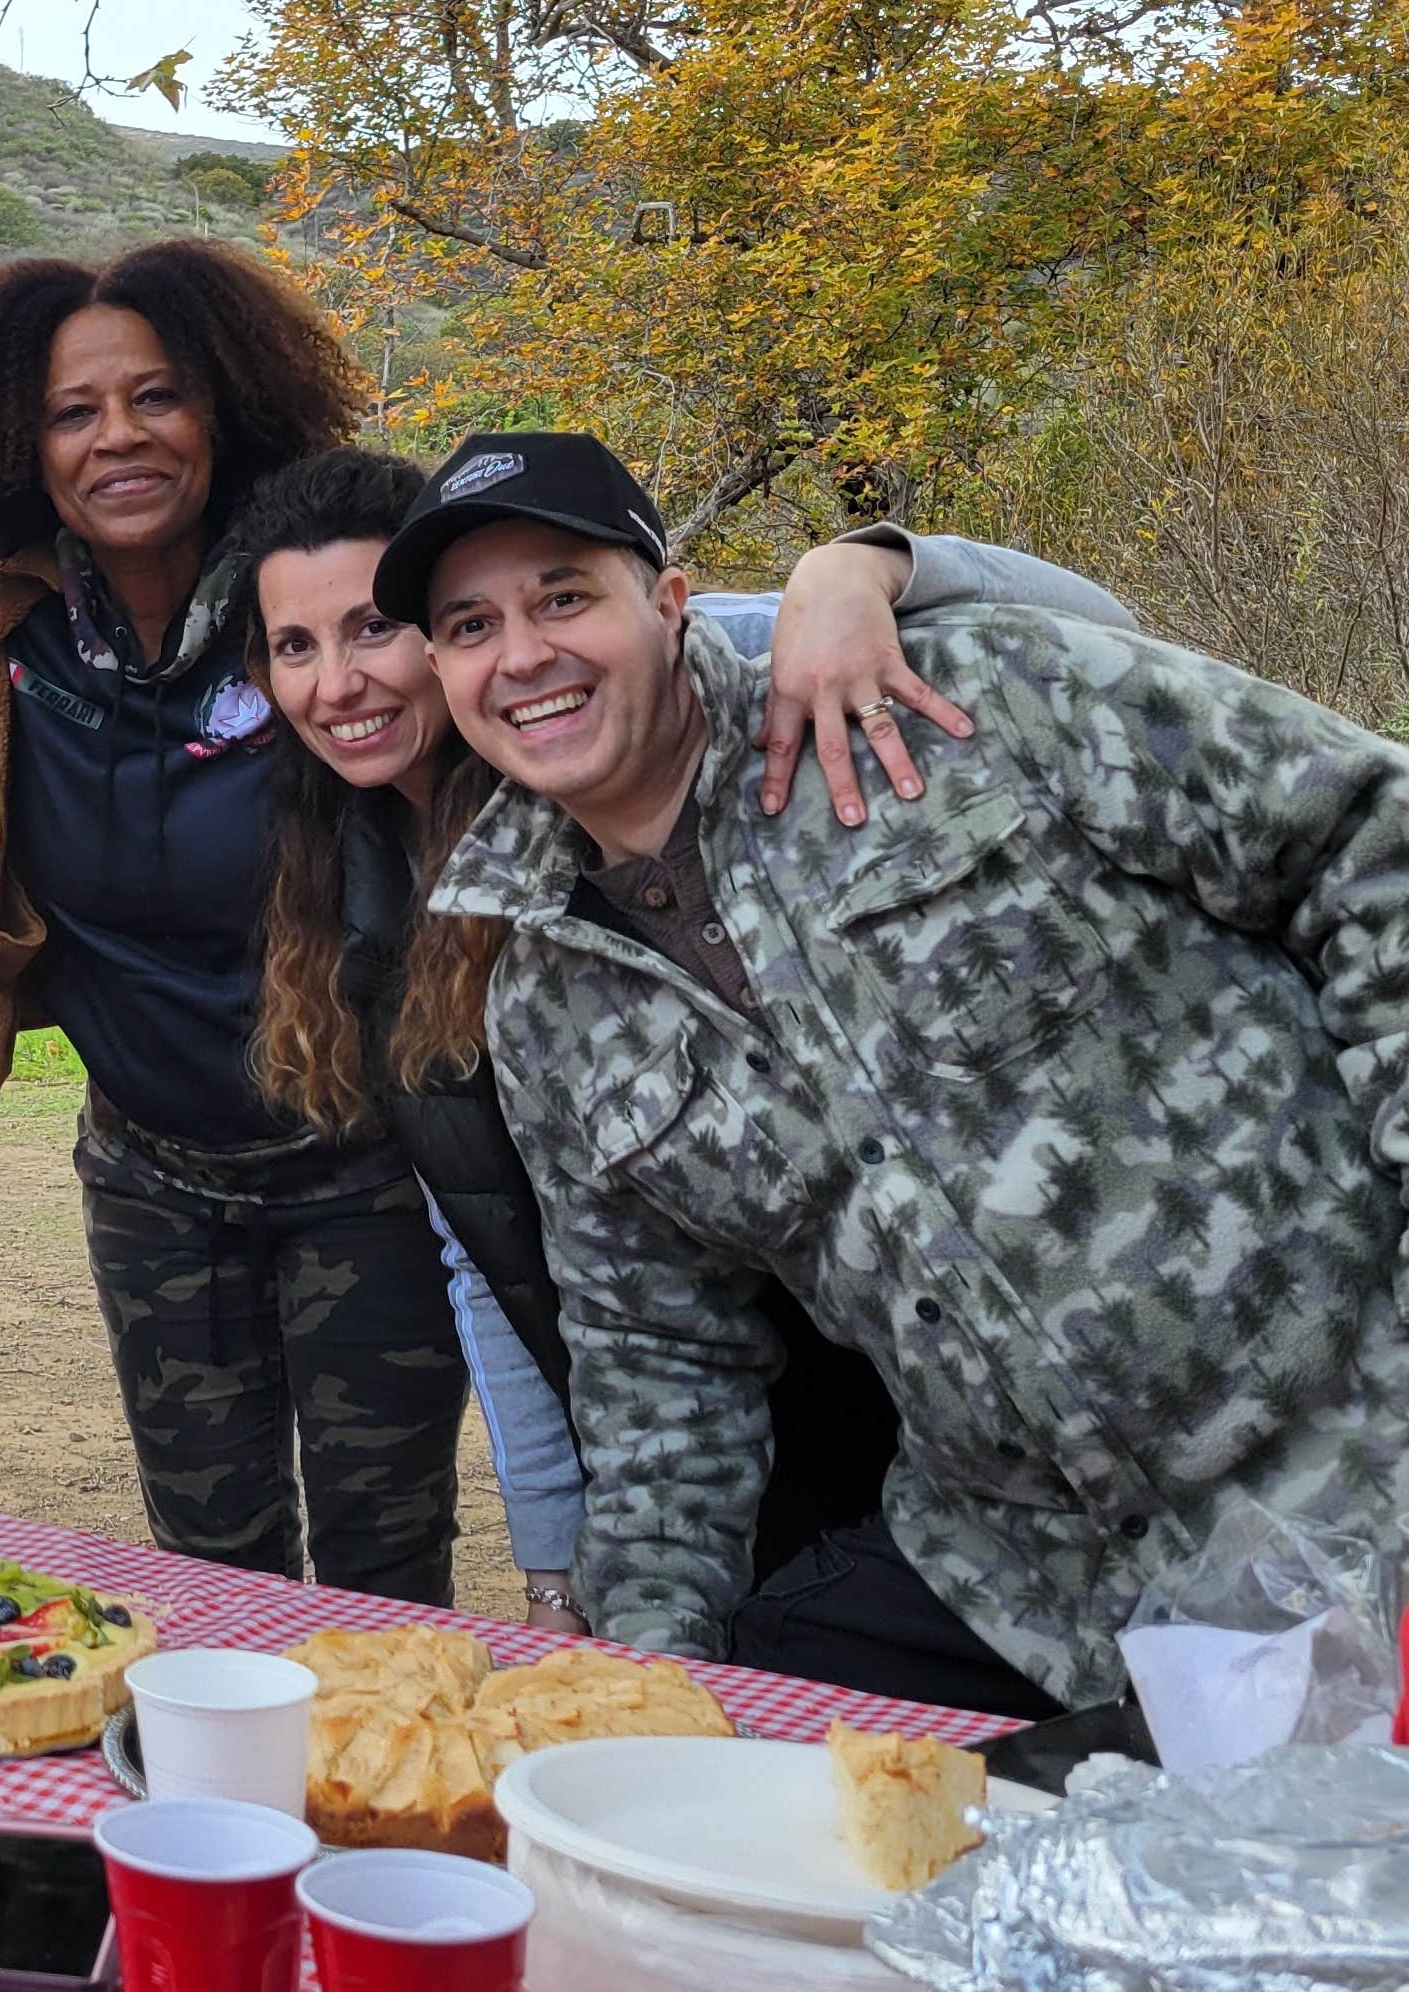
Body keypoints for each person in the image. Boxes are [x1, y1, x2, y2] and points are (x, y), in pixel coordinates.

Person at [386, 429, 1409, 1711]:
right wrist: (646, 1669)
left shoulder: (957, 694)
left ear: (670, 599)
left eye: (564, 597)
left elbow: (1385, 840)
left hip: (1394, 1444)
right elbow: (655, 1361)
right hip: (1041, 1587)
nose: (522, 654)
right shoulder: (546, 1003)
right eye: (471, 627)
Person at [239, 445, 1130, 1630]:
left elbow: (1095, 624)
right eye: (295, 647)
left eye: (370, 630)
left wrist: (860, 570)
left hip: (958, 1388)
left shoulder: (655, 722)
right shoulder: (359, 891)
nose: (338, 683)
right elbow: (497, 1253)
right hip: (707, 1431)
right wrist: (557, 1546)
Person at [0, 244, 451, 1589]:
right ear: (18, 444)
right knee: (208, 1577)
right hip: (151, 1185)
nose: (118, 438)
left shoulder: (325, 605)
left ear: (227, 407)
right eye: (73, 412)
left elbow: (573, 615)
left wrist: (863, 574)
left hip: (363, 1183)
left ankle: (389, 1808)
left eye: (158, 396)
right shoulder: (3, 638)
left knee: (389, 1581)